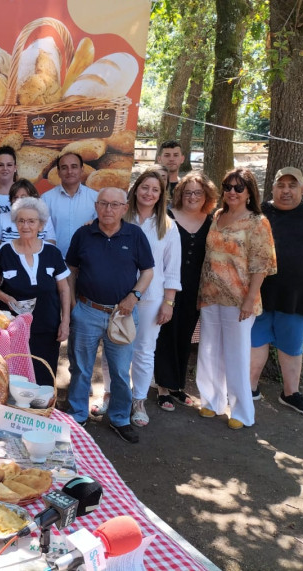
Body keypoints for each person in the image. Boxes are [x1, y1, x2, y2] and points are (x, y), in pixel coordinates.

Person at [65, 187, 154, 443]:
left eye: (115, 205)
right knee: (80, 368)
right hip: (87, 311)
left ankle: (120, 418)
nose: (109, 209)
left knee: (119, 370)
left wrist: (134, 297)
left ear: (125, 208)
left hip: (122, 315)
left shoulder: (134, 235)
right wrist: (72, 305)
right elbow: (71, 269)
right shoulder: (83, 234)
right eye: (104, 204)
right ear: (96, 206)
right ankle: (78, 415)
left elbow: (148, 271)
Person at [249, 167, 303, 416]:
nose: (286, 190)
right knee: (255, 342)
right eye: (281, 185)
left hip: (299, 297)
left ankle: (291, 393)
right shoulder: (259, 213)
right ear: (273, 187)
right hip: (258, 295)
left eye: (292, 185)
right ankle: (250, 387)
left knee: (291, 347)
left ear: (302, 189)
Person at [197, 168, 276, 429]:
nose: (232, 192)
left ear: (249, 192)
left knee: (237, 355)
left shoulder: (257, 222)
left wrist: (249, 299)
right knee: (209, 351)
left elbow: (261, 265)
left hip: (240, 299)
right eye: (228, 187)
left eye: (238, 188)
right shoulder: (218, 216)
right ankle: (211, 401)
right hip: (210, 296)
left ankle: (242, 412)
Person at [111, 168, 181, 428]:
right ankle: (112, 394)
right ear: (135, 189)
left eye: (155, 190)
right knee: (114, 346)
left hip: (152, 298)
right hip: (117, 295)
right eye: (145, 187)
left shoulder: (167, 225)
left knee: (143, 350)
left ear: (161, 195)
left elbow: (172, 268)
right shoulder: (120, 217)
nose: (149, 193)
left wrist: (169, 302)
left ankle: (138, 400)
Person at [154, 173, 218, 410]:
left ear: (206, 196)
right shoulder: (168, 217)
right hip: (167, 286)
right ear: (180, 194)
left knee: (185, 336)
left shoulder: (212, 221)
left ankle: (177, 386)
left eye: (198, 192)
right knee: (165, 335)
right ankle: (162, 387)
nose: (192, 197)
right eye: (188, 192)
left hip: (196, 289)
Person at [0, 197, 70, 385]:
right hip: (14, 331)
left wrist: (65, 322)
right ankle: (16, 414)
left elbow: (65, 289)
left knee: (44, 378)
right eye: (21, 220)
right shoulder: (4, 251)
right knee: (15, 380)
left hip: (47, 329)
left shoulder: (52, 253)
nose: (26, 226)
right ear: (15, 223)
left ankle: (42, 413)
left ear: (41, 225)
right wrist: (5, 297)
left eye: (31, 221)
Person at [41, 152, 99, 257]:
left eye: (74, 167)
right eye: (64, 168)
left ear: (82, 169)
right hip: (55, 261)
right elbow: (41, 233)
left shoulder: (95, 198)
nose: (69, 171)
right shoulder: (45, 199)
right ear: (58, 172)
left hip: (86, 262)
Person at [0, 179, 57, 247]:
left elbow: (51, 248)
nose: (18, 200)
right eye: (15, 197)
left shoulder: (45, 219)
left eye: (23, 197)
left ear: (33, 198)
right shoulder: (1, 218)